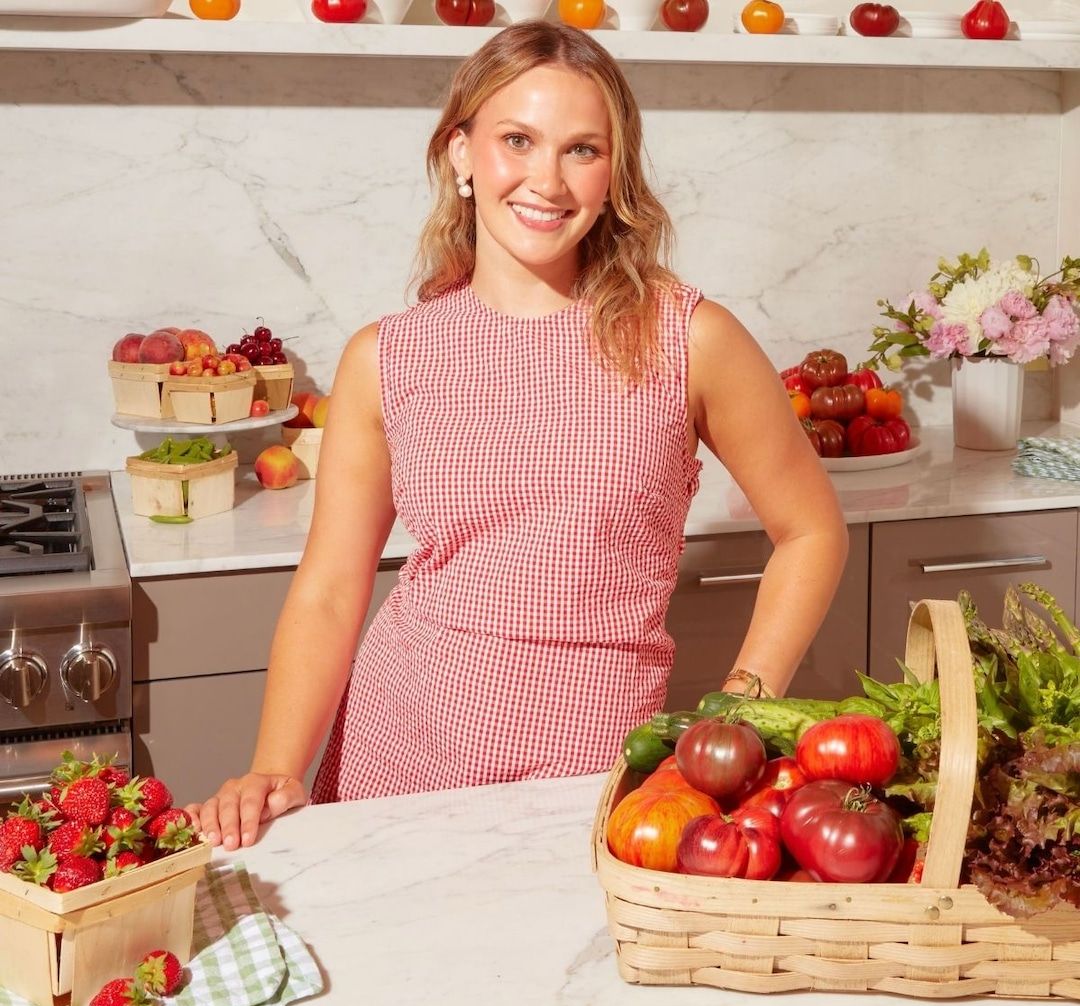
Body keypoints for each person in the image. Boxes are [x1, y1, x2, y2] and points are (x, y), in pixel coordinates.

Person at [188, 20, 848, 850]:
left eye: (582, 150)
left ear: (614, 173)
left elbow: (811, 531)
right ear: (461, 153)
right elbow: (330, 588)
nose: (548, 180)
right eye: (517, 140)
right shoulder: (386, 357)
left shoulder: (689, 339)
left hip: (588, 768)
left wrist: (741, 709)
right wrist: (274, 766)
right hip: (398, 750)